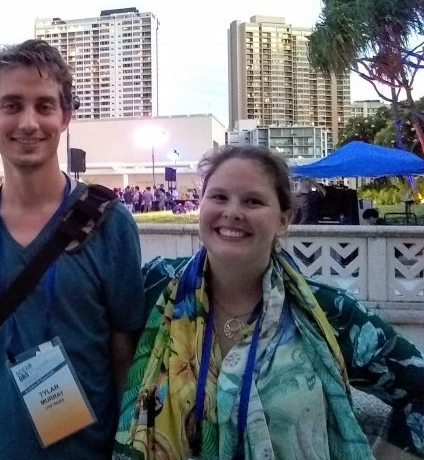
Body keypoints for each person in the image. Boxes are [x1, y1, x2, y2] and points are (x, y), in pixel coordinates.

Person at [114, 145, 424, 460]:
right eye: (219, 197)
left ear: (283, 219)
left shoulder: (327, 312)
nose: (232, 212)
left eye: (253, 201)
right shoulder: (155, 286)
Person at [0, 39, 145, 460]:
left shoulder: (111, 225)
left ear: (65, 117)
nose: (28, 122)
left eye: (44, 106)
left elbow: (124, 363)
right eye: (12, 105)